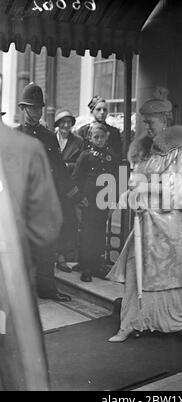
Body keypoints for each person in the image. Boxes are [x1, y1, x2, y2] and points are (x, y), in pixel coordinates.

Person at [107, 93, 182, 342]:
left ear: (165, 121)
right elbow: (137, 177)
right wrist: (131, 191)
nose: (147, 127)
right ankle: (131, 322)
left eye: (151, 122)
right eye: (145, 122)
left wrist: (145, 190)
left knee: (169, 272)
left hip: (167, 223)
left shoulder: (179, 153)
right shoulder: (146, 151)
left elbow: (177, 191)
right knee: (136, 267)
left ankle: (165, 315)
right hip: (146, 219)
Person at [16, 82, 82, 302]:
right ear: (23, 108)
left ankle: (47, 289)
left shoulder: (48, 136)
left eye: (39, 108)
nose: (36, 112)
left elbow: (60, 169)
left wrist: (76, 195)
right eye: (32, 108)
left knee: (46, 248)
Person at [0, 122, 62, 290]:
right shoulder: (18, 138)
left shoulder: (47, 137)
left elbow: (59, 167)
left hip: (38, 200)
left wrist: (116, 201)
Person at [73, 123, 118, 282]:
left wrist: (113, 201)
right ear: (90, 138)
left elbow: (115, 179)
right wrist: (79, 198)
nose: (99, 140)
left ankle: (96, 264)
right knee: (87, 232)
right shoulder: (85, 155)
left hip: (103, 199)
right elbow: (76, 178)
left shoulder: (111, 156)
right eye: (96, 137)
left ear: (107, 137)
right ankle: (86, 265)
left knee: (100, 231)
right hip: (88, 200)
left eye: (102, 137)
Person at [54, 108, 84, 272]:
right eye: (62, 122)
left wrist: (66, 166)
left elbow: (80, 163)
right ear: (57, 124)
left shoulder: (78, 141)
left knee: (67, 221)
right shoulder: (51, 138)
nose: (66, 125)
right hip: (52, 185)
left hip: (68, 187)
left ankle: (62, 256)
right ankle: (50, 254)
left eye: (69, 122)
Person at [77, 97, 122, 163]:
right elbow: (79, 158)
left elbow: (120, 157)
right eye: (98, 109)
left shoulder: (114, 132)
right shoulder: (83, 131)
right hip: (88, 169)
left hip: (109, 168)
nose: (102, 112)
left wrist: (122, 173)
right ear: (92, 111)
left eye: (104, 110)